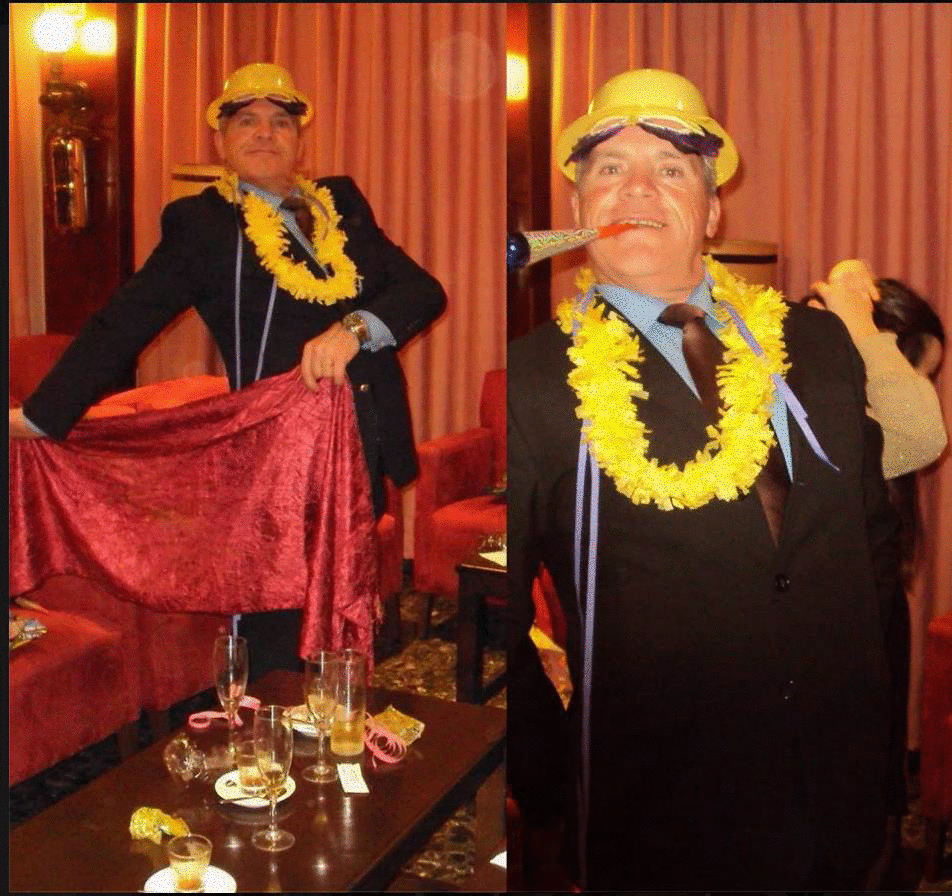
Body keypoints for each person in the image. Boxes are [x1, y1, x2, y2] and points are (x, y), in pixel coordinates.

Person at [508, 69, 901, 890]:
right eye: (610, 168)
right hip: (665, 806)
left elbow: (872, 549)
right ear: (579, 209)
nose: (638, 189)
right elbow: (507, 613)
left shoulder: (819, 346)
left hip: (840, 787)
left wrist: (881, 744)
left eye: (671, 168)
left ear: (713, 210)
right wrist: (546, 775)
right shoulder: (536, 380)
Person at [9, 63, 446, 679]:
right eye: (247, 121)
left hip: (362, 435)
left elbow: (422, 290)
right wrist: (42, 413)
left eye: (280, 122)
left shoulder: (338, 205)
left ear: (299, 141)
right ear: (221, 140)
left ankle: (335, 716)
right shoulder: (203, 224)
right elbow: (125, 321)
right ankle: (269, 722)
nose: (265, 133)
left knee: (346, 588)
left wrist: (353, 328)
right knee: (275, 600)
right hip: (273, 453)